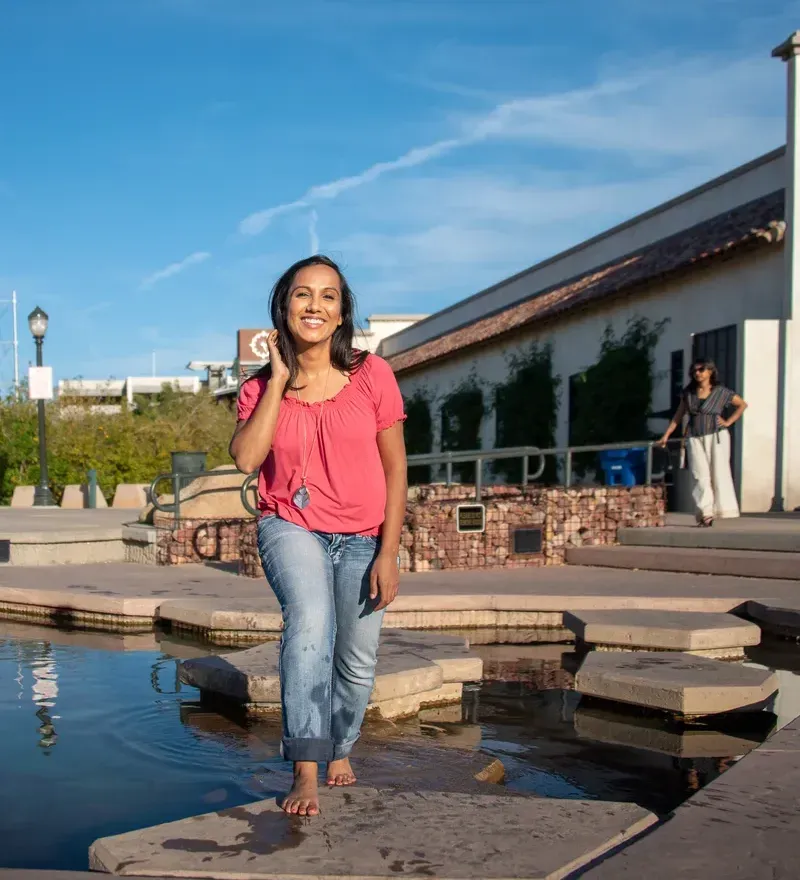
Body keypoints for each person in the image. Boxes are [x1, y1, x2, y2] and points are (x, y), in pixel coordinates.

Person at [230, 255, 407, 817]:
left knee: (356, 661)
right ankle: (305, 767)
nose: (315, 305)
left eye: (328, 296)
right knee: (309, 624)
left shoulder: (373, 374)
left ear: (341, 313)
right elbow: (246, 459)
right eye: (303, 294)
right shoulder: (260, 388)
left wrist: (389, 551)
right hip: (290, 523)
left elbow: (397, 468)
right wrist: (280, 380)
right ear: (284, 307)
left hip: (362, 533)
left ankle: (341, 746)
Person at [659, 358, 747, 527]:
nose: (698, 373)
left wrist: (729, 421)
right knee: (700, 475)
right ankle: (705, 512)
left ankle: (722, 509)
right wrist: (666, 435)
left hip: (716, 435)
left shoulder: (721, 392)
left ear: (710, 371)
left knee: (719, 472)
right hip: (694, 435)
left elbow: (742, 404)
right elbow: (678, 415)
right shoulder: (689, 393)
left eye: (701, 369)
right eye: (695, 370)